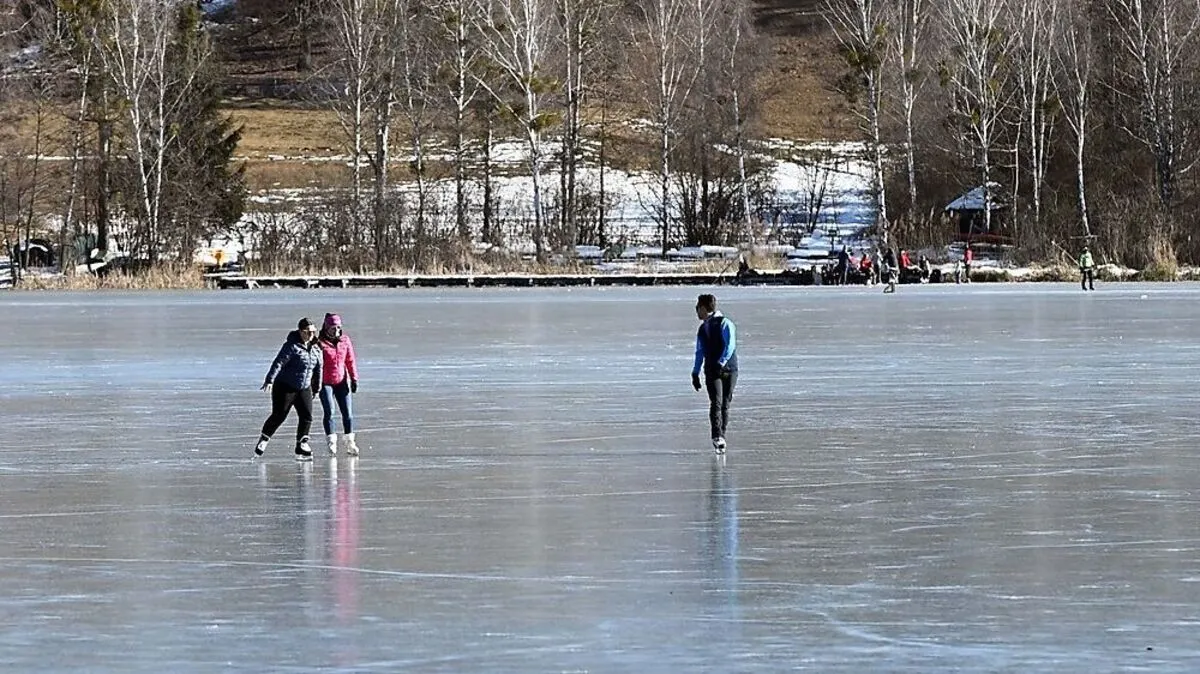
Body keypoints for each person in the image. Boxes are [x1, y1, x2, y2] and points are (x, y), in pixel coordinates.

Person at [255, 318, 323, 460]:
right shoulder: (292, 346)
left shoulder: (316, 349)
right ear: (300, 331)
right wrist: (270, 379)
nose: (311, 335)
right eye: (307, 332)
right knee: (280, 415)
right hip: (285, 386)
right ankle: (264, 438)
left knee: (307, 416)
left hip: (304, 388)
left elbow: (318, 370)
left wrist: (317, 387)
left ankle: (301, 444)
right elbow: (279, 362)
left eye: (313, 332)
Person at [691, 294, 737, 453]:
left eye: (697, 308)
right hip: (711, 369)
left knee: (725, 403)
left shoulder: (725, 323)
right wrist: (695, 372)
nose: (696, 311)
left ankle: (722, 434)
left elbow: (729, 346)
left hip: (729, 369)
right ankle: (717, 437)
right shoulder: (703, 329)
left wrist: (721, 363)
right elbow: (699, 352)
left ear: (704, 308)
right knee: (716, 402)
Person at [318, 313, 360, 455]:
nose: (336, 331)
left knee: (347, 414)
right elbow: (313, 364)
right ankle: (331, 442)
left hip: (341, 381)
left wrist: (354, 379)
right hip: (325, 383)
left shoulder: (345, 340)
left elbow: (350, 360)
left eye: (338, 328)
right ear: (326, 327)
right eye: (332, 328)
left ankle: (350, 442)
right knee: (329, 412)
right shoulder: (319, 342)